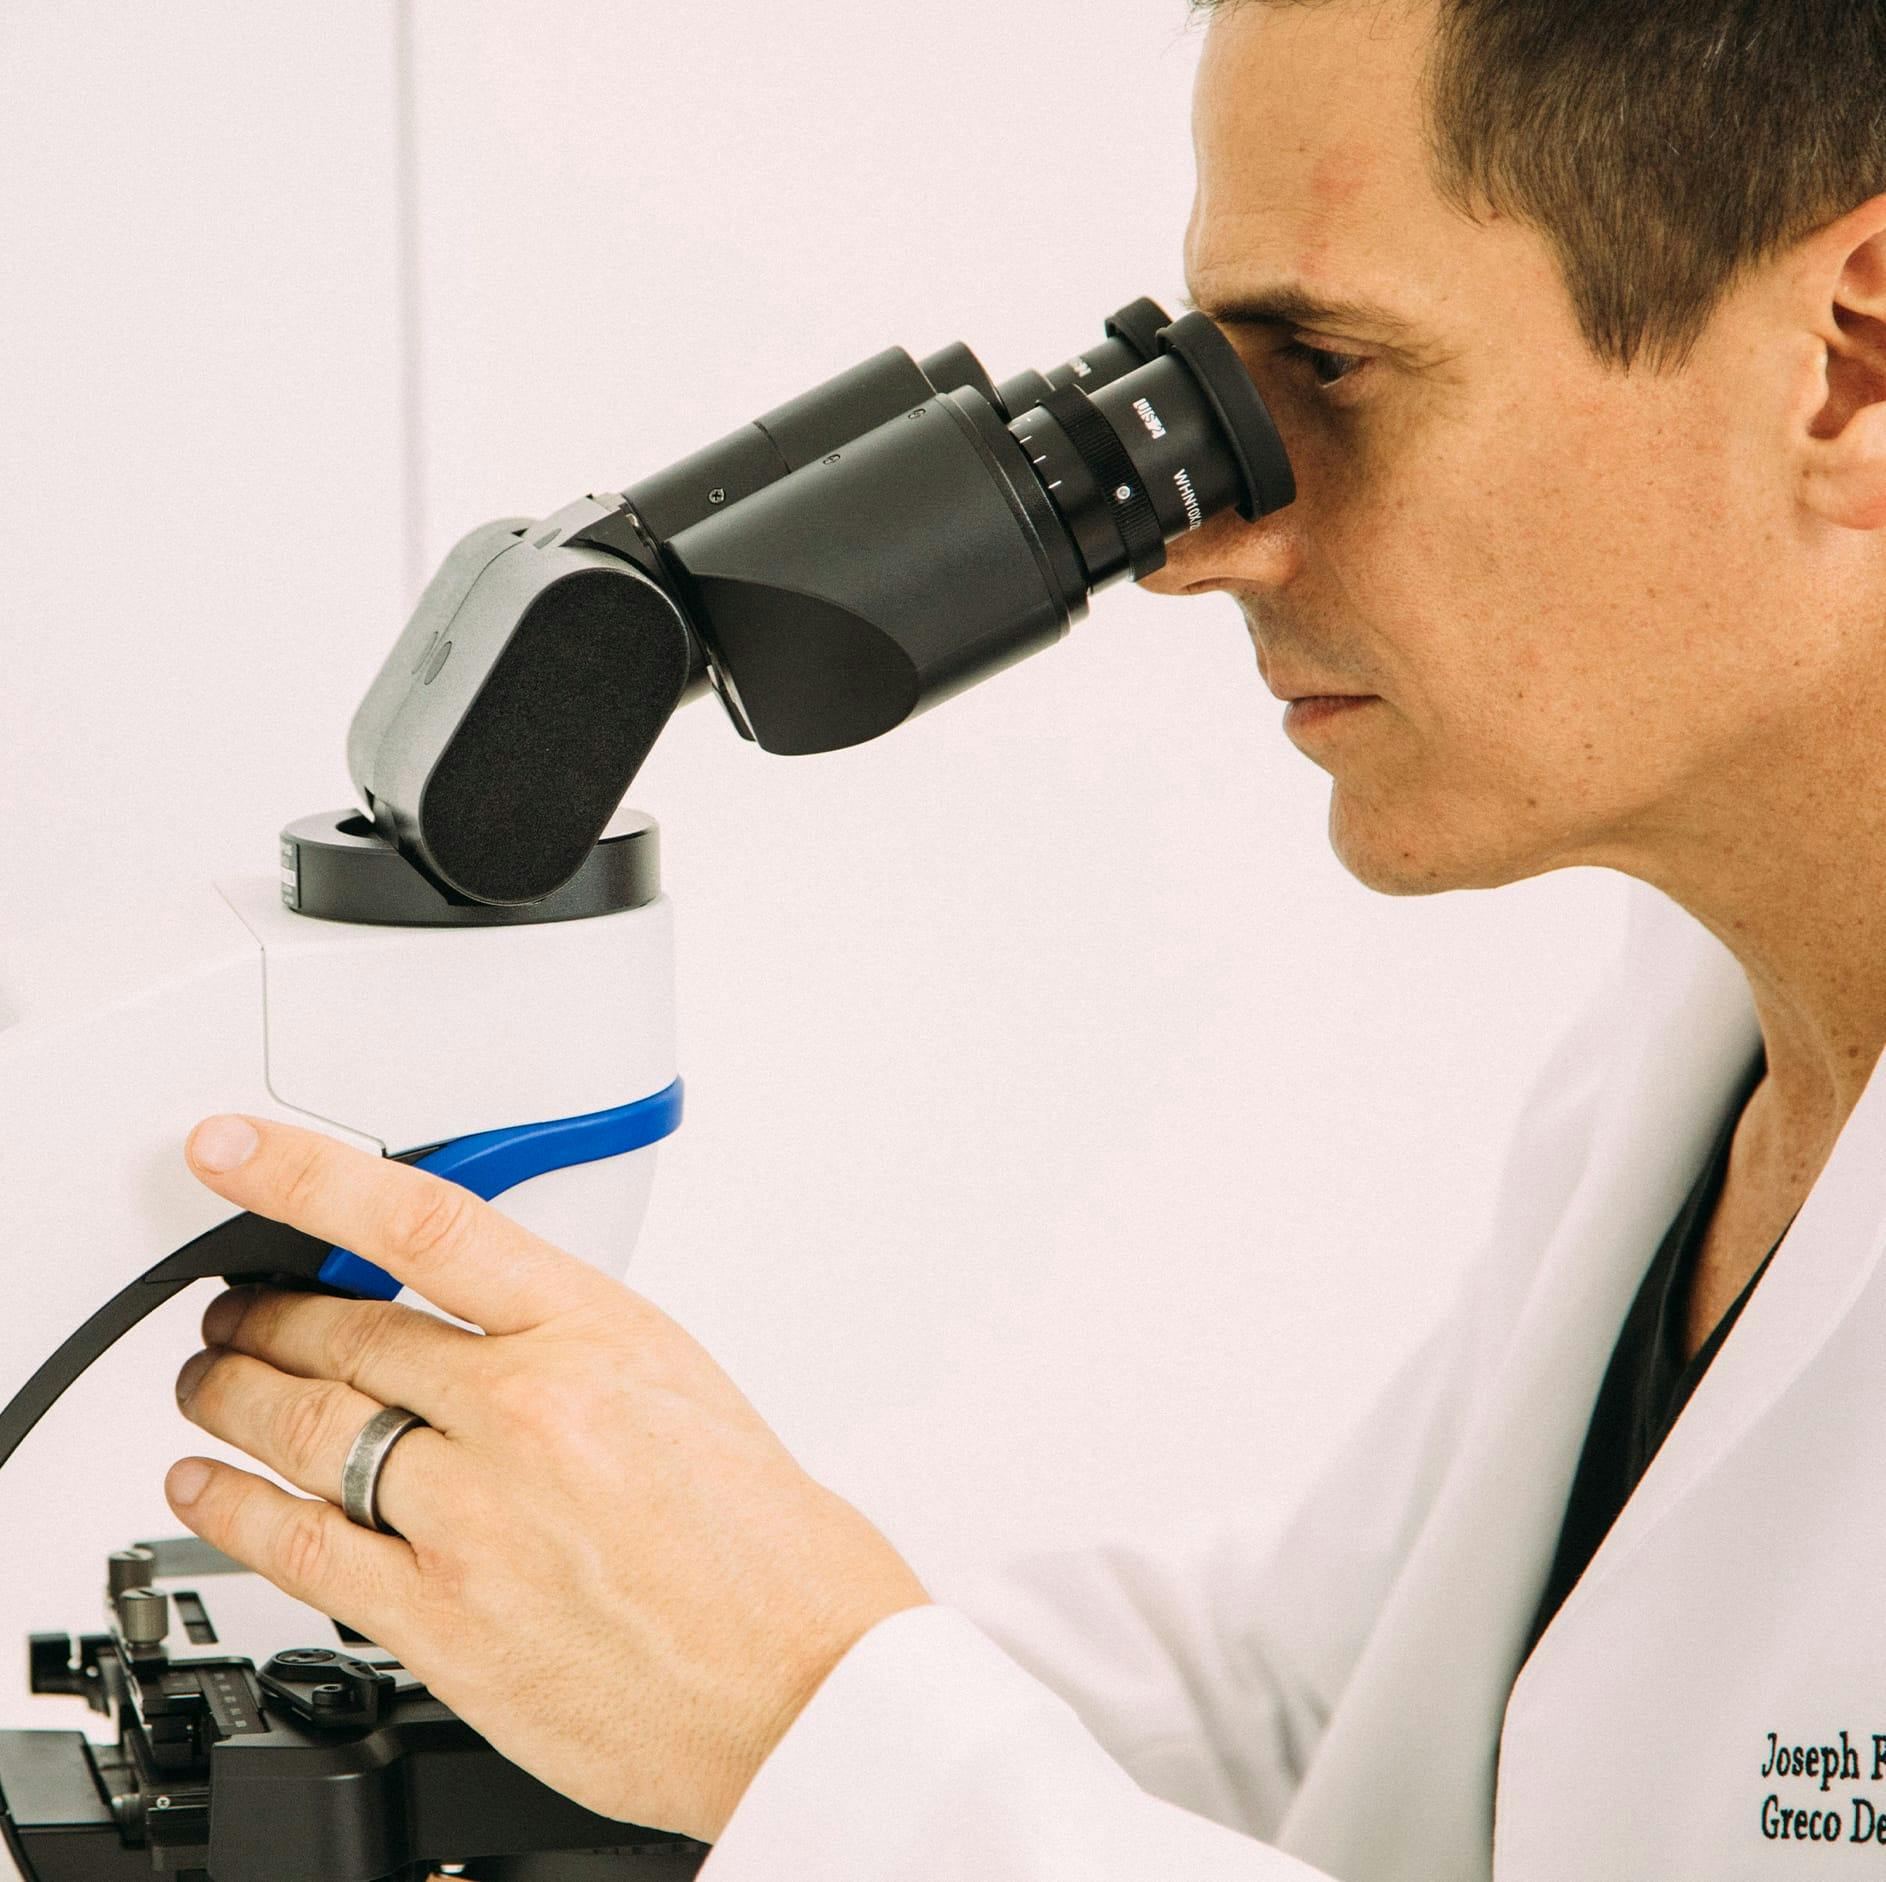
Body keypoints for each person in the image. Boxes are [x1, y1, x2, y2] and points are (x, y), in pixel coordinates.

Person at [160, 0, 1886, 1874]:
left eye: (1331, 362)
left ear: (1848, 362)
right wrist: (600, 1651)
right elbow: (1328, 1705)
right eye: (1212, 383)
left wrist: (805, 1721)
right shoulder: (1708, 1040)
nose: (1193, 542)